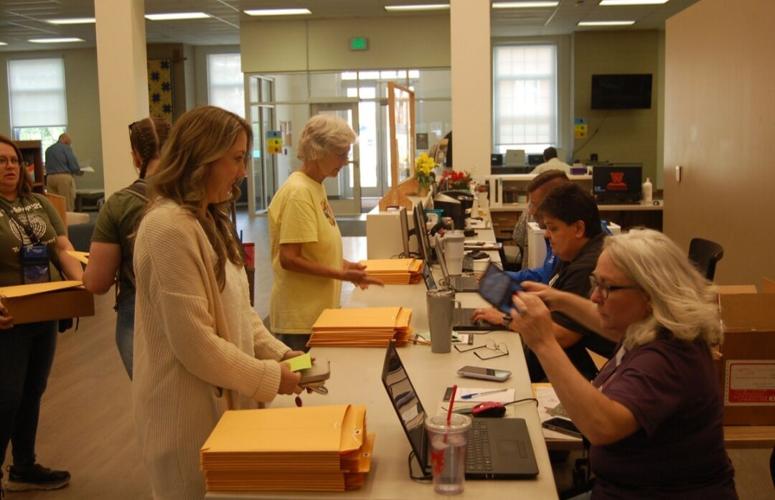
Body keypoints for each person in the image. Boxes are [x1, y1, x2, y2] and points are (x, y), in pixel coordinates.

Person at [131, 106, 304, 499]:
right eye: (237, 159)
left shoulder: (206, 219)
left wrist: (281, 354)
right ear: (200, 159)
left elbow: (240, 311)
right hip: (186, 420)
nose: (243, 172)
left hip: (225, 408)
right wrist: (271, 378)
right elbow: (196, 344)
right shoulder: (167, 228)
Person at [511, 229, 738, 498]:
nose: (595, 296)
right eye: (596, 282)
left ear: (651, 295)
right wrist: (559, 300)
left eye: (608, 287)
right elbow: (605, 322)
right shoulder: (651, 326)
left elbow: (601, 426)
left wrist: (543, 342)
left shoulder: (669, 358)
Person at [0, 134, 83, 493]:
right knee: (6, 396)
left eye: (14, 160)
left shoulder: (39, 203)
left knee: (33, 389)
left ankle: (23, 465)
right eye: (1, 161)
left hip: (45, 308)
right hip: (8, 316)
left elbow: (62, 249)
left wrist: (83, 283)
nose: (9, 167)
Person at [475, 183, 615, 381]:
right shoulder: (573, 253)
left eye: (553, 228)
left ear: (578, 228)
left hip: (580, 369)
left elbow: (562, 335)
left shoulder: (588, 266)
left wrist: (505, 319)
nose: (547, 235)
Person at [268, 114, 382, 350]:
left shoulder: (314, 186)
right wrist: (341, 275)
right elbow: (289, 259)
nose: (345, 161)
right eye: (341, 154)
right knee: (304, 384)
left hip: (315, 315)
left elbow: (314, 251)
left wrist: (344, 264)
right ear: (318, 151)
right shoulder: (299, 192)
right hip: (299, 322)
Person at [82, 117, 171, 379]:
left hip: (138, 313)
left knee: (155, 404)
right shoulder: (195, 196)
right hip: (199, 309)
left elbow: (97, 282)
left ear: (135, 156)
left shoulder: (119, 205)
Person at [510, 169, 569, 275]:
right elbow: (546, 274)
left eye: (534, 204)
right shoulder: (554, 233)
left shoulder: (568, 239)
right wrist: (505, 278)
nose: (530, 211)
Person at [44, 133, 81, 211]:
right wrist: (79, 171)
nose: (69, 144)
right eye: (68, 142)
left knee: (54, 203)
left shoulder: (48, 149)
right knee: (67, 203)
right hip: (63, 178)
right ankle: (69, 222)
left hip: (49, 178)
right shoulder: (66, 148)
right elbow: (73, 165)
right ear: (64, 140)